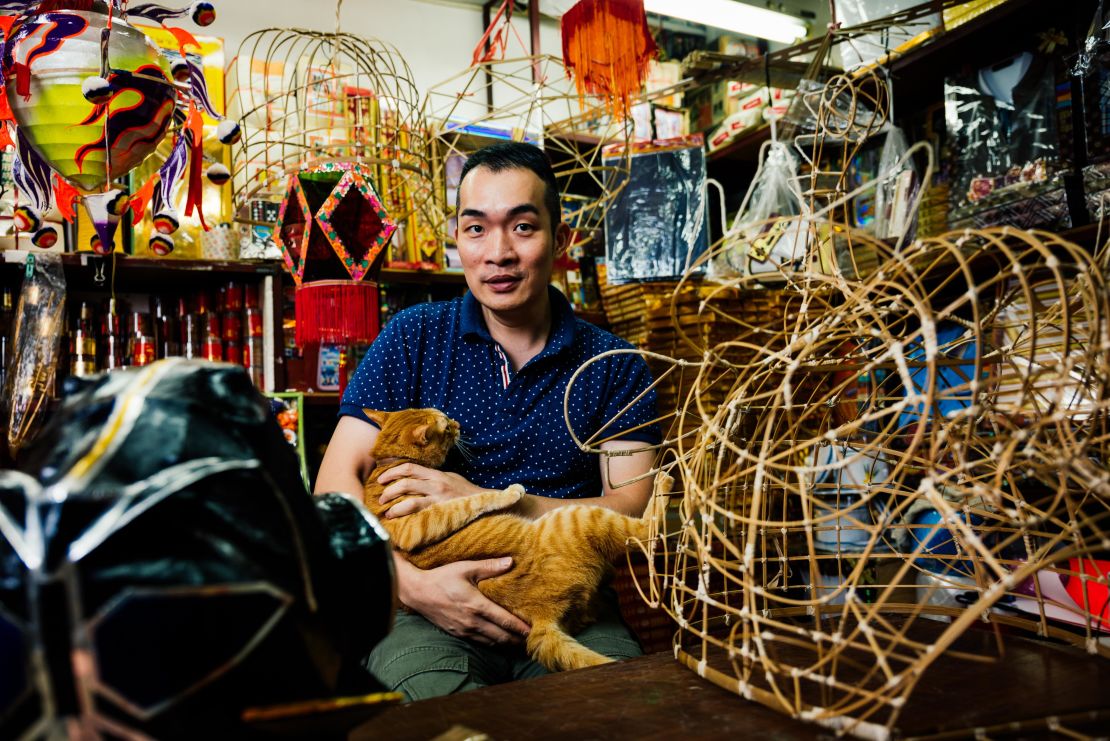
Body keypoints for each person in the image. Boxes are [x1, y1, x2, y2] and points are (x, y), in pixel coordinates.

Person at [314, 141, 661, 701]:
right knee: (430, 704)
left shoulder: (614, 365)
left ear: (561, 238)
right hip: (424, 607)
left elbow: (628, 509)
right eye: (476, 229)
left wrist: (492, 497)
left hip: (566, 605)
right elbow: (333, 486)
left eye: (523, 227)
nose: (497, 253)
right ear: (457, 239)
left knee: (616, 709)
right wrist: (413, 585)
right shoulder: (413, 337)